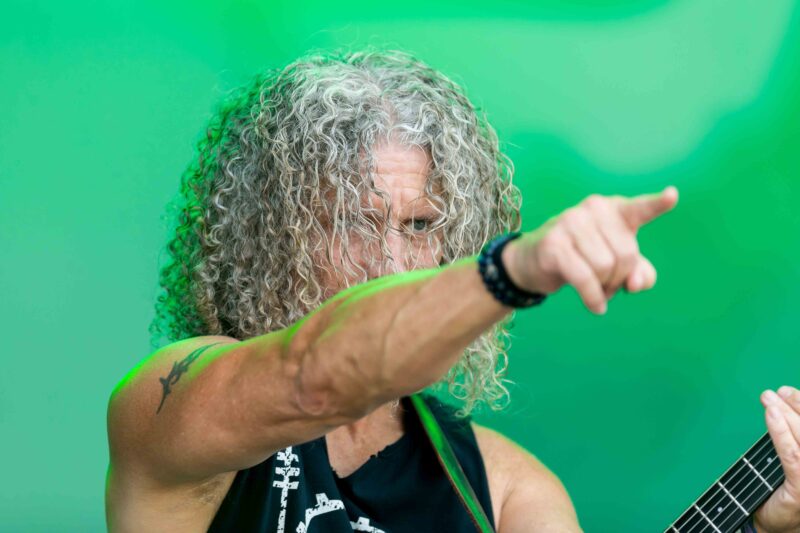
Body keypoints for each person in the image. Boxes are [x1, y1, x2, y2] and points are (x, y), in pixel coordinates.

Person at [105, 49, 800, 532]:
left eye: (420, 225)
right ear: (271, 237)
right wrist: (514, 271)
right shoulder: (172, 404)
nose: (391, 262)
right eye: (352, 222)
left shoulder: (505, 488)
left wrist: (759, 528)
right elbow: (312, 377)